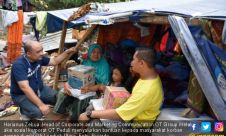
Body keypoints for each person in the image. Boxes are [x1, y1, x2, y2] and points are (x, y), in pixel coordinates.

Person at [79, 48, 164, 133]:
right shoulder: (149, 76)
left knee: (95, 124)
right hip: (131, 113)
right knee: (93, 108)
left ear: (141, 63)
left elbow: (120, 114)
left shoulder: (146, 90)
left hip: (135, 127)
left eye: (134, 59)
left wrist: (90, 114)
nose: (131, 63)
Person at [10, 40, 76, 120]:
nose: (42, 53)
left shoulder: (38, 58)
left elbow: (55, 61)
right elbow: (25, 88)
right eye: (38, 51)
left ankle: (37, 101)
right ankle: (24, 111)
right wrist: (41, 105)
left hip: (40, 89)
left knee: (60, 98)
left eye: (41, 50)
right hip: (22, 95)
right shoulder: (19, 65)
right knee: (37, 112)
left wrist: (67, 52)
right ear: (28, 54)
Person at [54, 43, 110, 121]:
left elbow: (104, 86)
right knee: (62, 92)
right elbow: (76, 75)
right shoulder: (85, 62)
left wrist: (90, 88)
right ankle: (59, 113)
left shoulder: (104, 65)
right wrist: (67, 84)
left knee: (81, 100)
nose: (96, 54)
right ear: (89, 52)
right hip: (80, 87)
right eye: (93, 52)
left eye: (98, 52)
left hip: (95, 90)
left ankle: (72, 118)